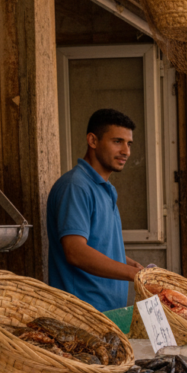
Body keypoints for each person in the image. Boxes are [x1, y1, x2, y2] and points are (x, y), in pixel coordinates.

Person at [47, 109, 143, 312]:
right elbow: (75, 252)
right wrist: (131, 274)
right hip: (82, 314)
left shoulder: (105, 188)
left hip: (107, 312)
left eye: (129, 144)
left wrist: (130, 265)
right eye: (117, 141)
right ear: (92, 140)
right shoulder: (76, 186)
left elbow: (98, 246)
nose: (126, 151)